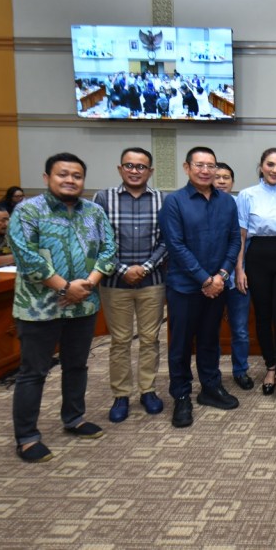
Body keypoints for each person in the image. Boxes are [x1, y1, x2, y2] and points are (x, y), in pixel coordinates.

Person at [7, 152, 116, 462]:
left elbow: (109, 250)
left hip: (83, 305)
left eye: (77, 176)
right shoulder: (28, 211)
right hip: (39, 307)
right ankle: (27, 436)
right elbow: (28, 258)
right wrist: (66, 287)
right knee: (34, 372)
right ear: (46, 178)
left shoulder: (94, 212)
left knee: (77, 365)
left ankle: (74, 418)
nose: (70, 180)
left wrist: (89, 284)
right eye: (63, 174)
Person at [160, 146, 242, 428]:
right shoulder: (174, 202)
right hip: (184, 287)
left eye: (211, 165)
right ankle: (181, 396)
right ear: (187, 168)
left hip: (218, 286)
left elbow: (234, 241)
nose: (206, 170)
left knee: (210, 341)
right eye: (200, 165)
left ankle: (210, 387)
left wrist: (221, 275)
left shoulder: (228, 202)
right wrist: (205, 279)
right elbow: (175, 245)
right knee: (181, 345)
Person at [93, 148, 169, 424]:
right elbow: (97, 241)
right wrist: (123, 269)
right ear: (120, 169)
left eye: (141, 167)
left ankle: (147, 390)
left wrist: (146, 267)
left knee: (150, 340)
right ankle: (121, 395)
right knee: (120, 341)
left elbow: (167, 240)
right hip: (115, 282)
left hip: (152, 282)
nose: (135, 171)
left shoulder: (162, 199)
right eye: (130, 165)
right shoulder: (103, 198)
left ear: (150, 171)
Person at [237, 147, 276, 405]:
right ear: (261, 166)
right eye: (270, 164)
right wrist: (239, 268)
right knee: (262, 317)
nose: (275, 170)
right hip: (257, 256)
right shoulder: (247, 195)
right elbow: (241, 235)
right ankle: (271, 367)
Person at [213, 162, 254, 391]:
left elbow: (242, 239)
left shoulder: (239, 204)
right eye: (217, 177)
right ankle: (213, 374)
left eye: (226, 177)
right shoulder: (204, 205)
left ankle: (240, 370)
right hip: (210, 280)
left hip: (237, 278)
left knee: (239, 328)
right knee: (212, 329)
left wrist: (239, 270)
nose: (221, 181)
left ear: (232, 182)